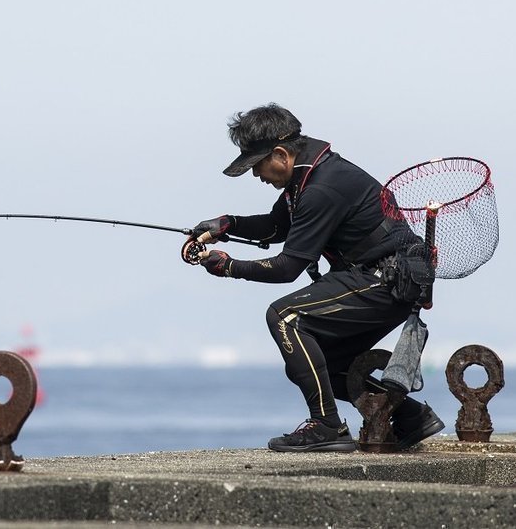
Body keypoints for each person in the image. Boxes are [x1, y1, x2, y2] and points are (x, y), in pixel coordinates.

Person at [186, 103, 444, 453]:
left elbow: (288, 267)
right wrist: (228, 224)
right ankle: (410, 416)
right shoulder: (308, 176)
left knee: (284, 317)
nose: (256, 175)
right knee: (321, 359)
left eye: (256, 165)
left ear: (280, 153)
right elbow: (280, 225)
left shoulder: (322, 188)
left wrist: (229, 266)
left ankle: (326, 425)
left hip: (385, 280)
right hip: (387, 280)